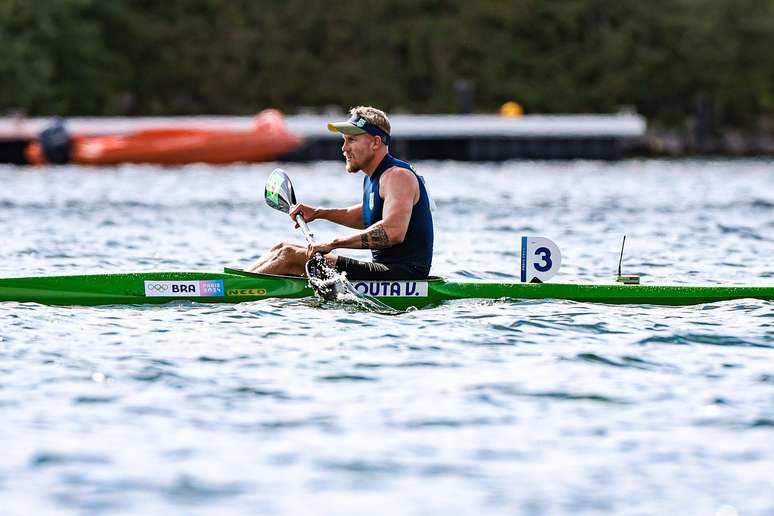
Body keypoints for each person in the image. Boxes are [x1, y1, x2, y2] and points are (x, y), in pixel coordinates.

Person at [248, 106, 433, 279]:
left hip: (404, 275)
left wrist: (333, 243)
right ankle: (233, 281)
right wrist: (319, 213)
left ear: (376, 142)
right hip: (385, 269)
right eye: (344, 140)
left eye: (351, 140)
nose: (344, 148)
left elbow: (393, 231)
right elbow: (366, 215)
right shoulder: (374, 177)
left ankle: (227, 290)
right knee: (282, 247)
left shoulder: (397, 176)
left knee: (288, 256)